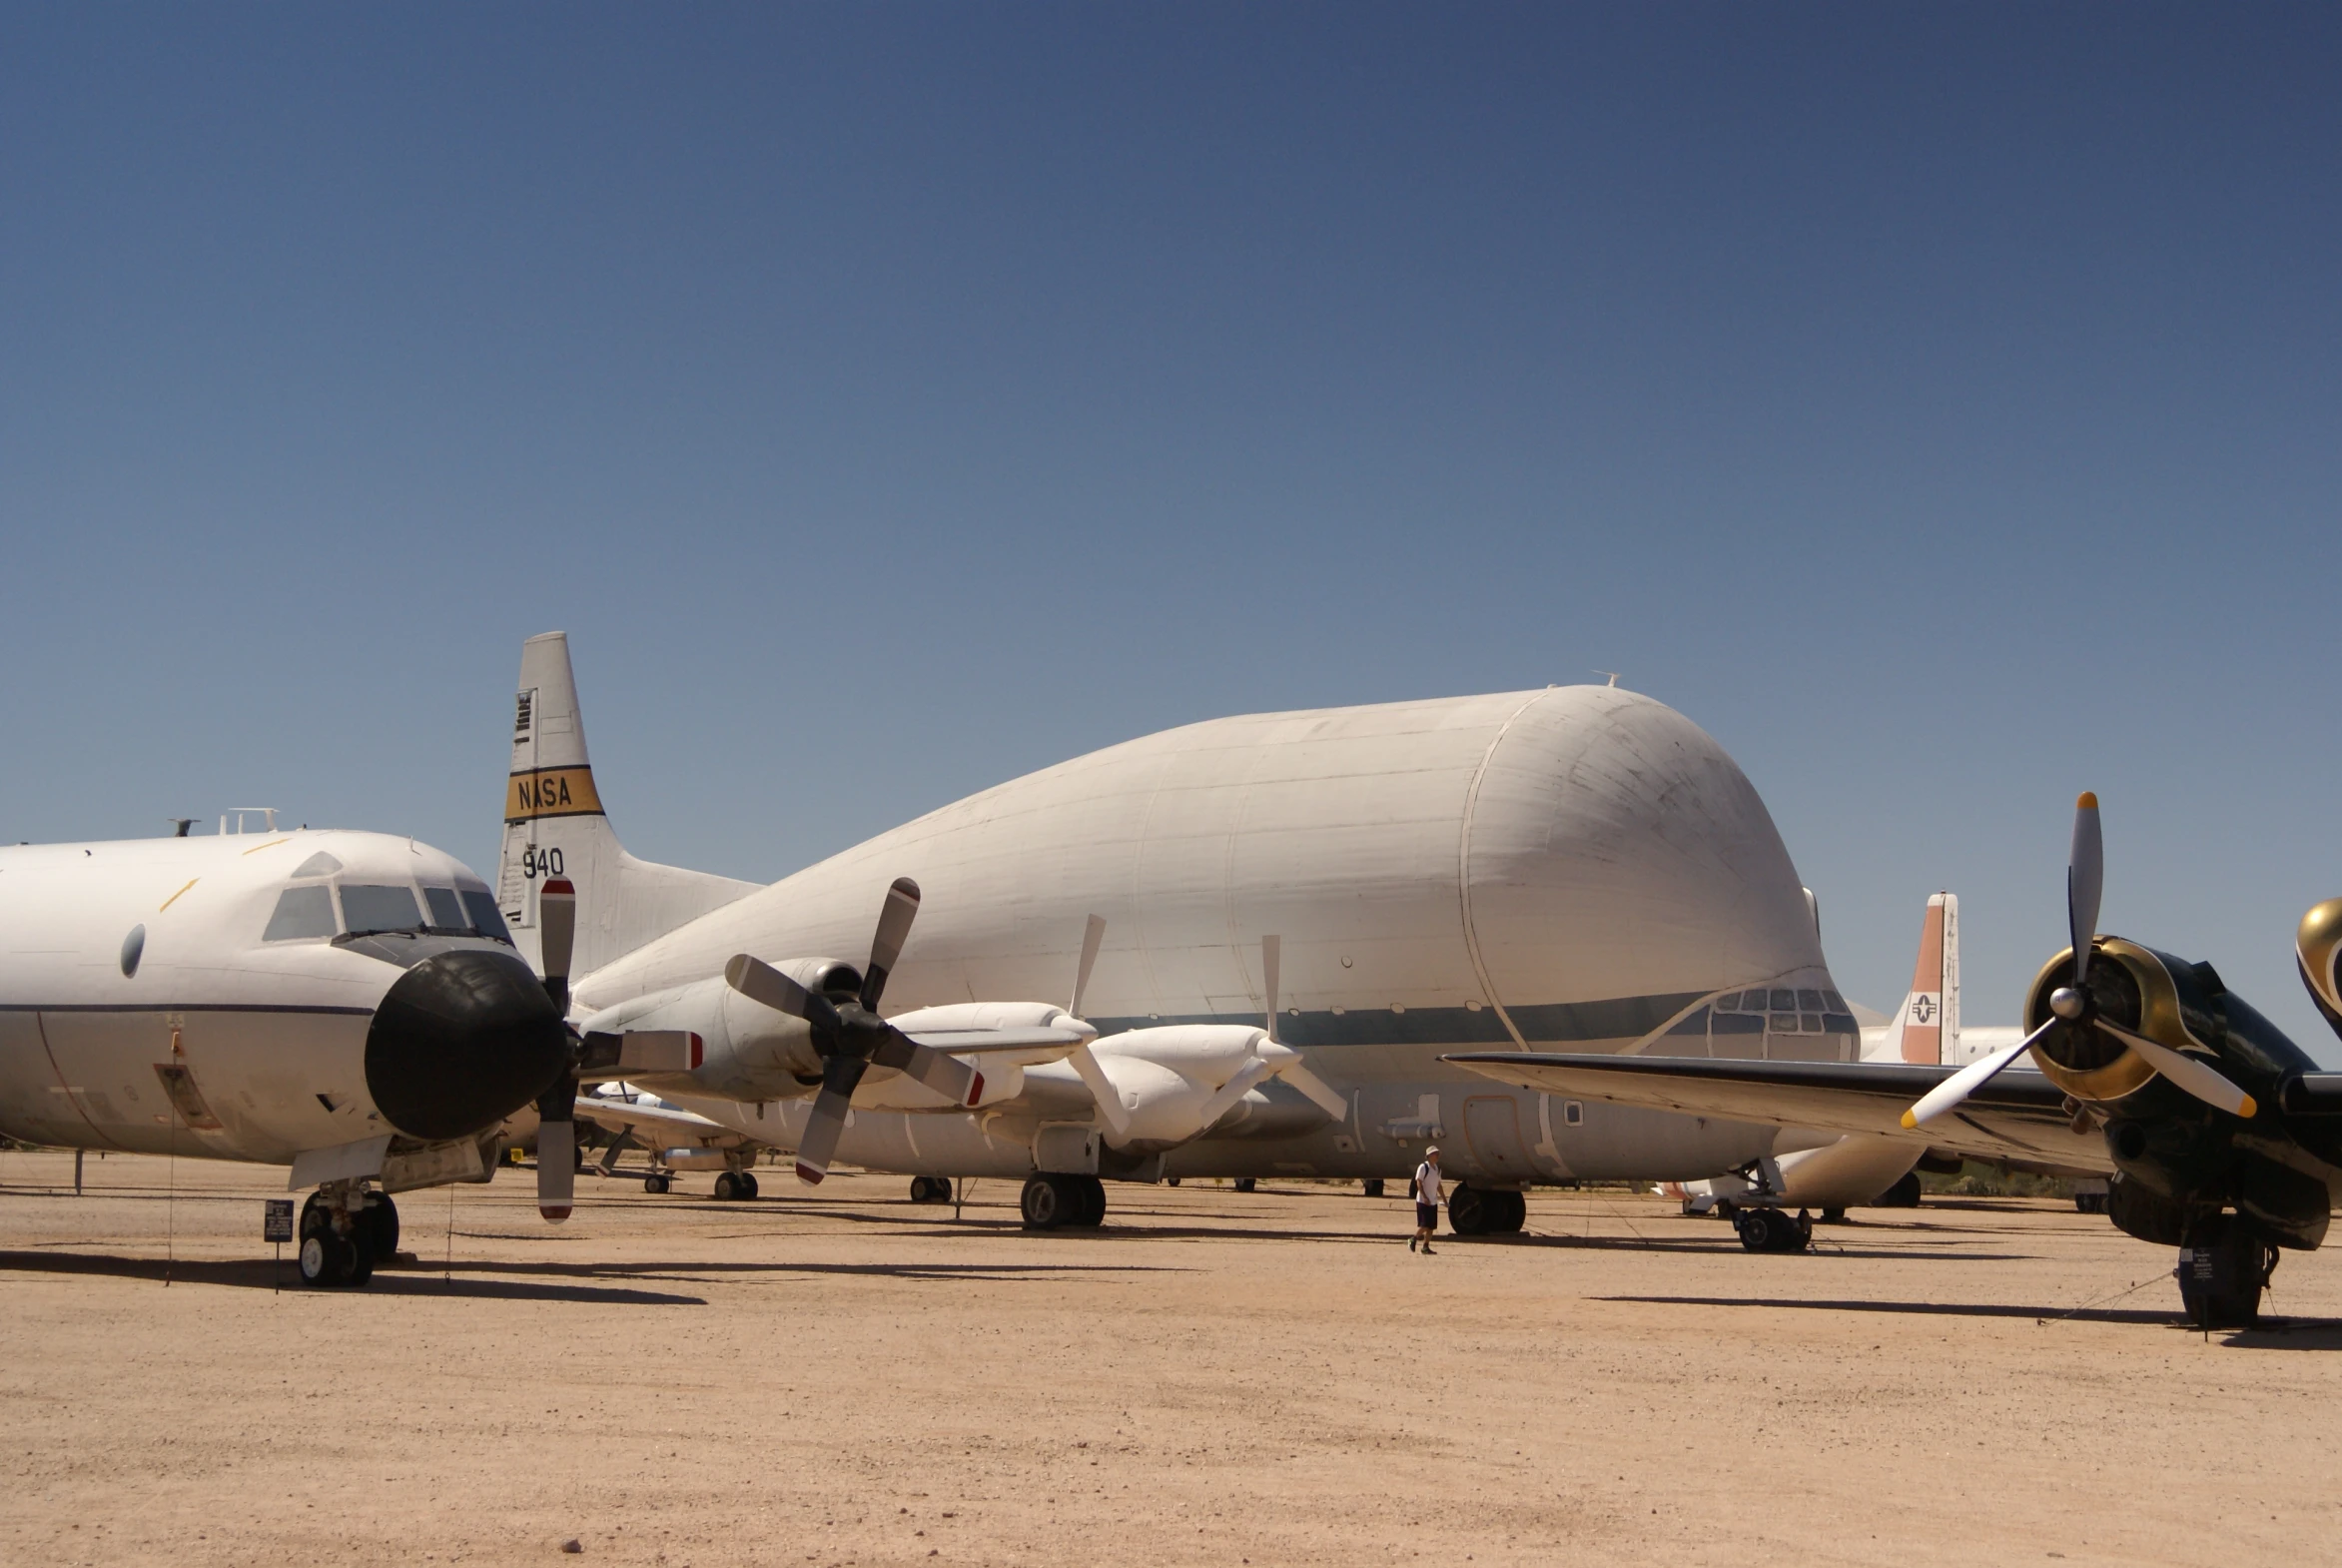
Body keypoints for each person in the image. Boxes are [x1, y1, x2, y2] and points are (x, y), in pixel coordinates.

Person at [1410, 1146, 1443, 1253]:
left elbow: (1438, 1185)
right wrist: (1424, 1197)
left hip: (1433, 1201)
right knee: (1425, 1224)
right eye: (1435, 1154)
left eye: (1438, 1153)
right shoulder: (1423, 1167)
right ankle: (1413, 1238)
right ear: (1429, 1156)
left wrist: (1444, 1199)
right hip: (1423, 1201)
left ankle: (1425, 1246)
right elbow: (1418, 1182)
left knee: (1431, 1226)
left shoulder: (1437, 1168)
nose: (1437, 1156)